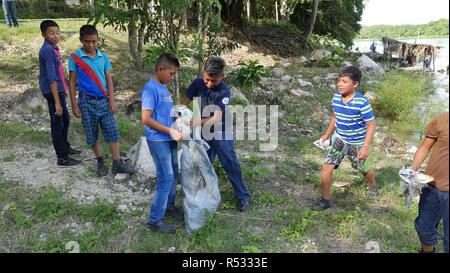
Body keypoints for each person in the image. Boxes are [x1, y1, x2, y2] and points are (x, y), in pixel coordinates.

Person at [182, 56, 251, 212]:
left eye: (214, 81)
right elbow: (185, 102)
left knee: (230, 163)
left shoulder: (224, 91)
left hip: (221, 131)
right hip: (204, 131)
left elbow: (217, 117)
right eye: (207, 79)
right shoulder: (198, 83)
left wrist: (197, 122)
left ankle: (243, 197)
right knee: (204, 162)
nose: (209, 84)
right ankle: (201, 197)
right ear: (203, 72)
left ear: (222, 76)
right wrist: (182, 114)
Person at [68, 25, 135, 177]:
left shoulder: (103, 57)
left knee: (112, 130)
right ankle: (99, 161)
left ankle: (117, 163)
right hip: (86, 102)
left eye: (94, 41)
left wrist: (112, 100)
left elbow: (109, 80)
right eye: (87, 42)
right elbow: (71, 82)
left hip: (104, 101)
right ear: (81, 40)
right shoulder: (75, 58)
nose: (91, 45)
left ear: (98, 40)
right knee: (91, 133)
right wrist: (74, 104)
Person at [313, 66, 377, 211]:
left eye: (345, 81)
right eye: (339, 81)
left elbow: (371, 125)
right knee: (326, 166)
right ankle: (325, 200)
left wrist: (365, 146)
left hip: (357, 142)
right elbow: (335, 117)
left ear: (355, 84)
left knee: (362, 168)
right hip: (339, 139)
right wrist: (327, 135)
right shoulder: (336, 97)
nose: (340, 84)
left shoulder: (362, 103)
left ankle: (372, 185)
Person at [141, 53, 185, 233]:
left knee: (173, 173)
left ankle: (169, 206)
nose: (172, 78)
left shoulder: (163, 86)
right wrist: (170, 131)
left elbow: (163, 111)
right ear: (160, 69)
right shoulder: (150, 89)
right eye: (171, 74)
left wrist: (176, 116)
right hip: (159, 140)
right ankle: (155, 221)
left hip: (169, 138)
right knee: (165, 177)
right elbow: (146, 119)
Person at [39, 20, 81, 168]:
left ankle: (66, 147)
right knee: (58, 123)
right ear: (44, 34)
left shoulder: (53, 48)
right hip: (52, 92)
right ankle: (62, 158)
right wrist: (57, 102)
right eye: (52, 33)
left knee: (66, 119)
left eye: (58, 32)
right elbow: (51, 77)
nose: (56, 35)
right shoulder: (48, 51)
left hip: (58, 90)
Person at [410, 112, 448, 253]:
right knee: (424, 227)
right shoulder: (442, 119)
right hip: (432, 186)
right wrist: (413, 169)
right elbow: (425, 146)